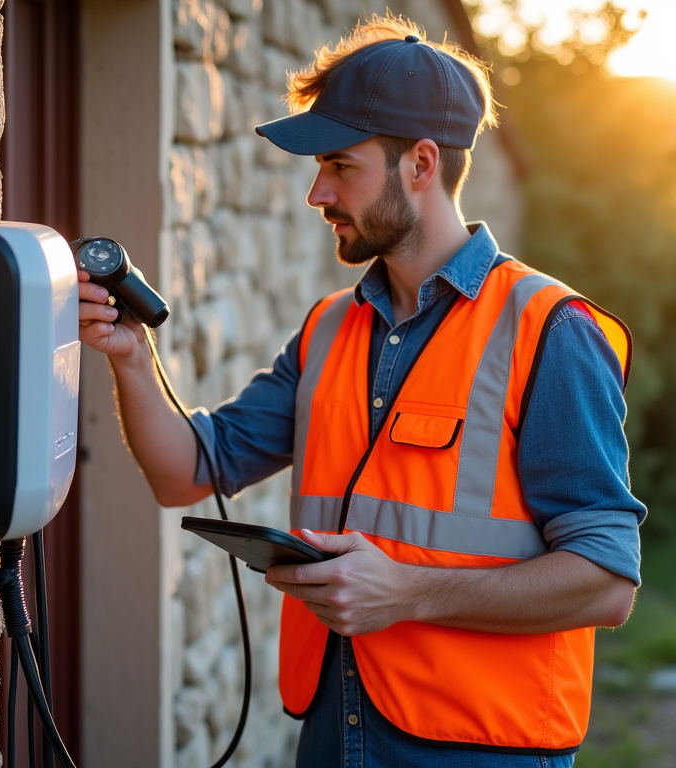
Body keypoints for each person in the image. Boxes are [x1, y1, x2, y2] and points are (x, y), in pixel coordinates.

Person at [77, 14, 646, 767]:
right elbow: (187, 470)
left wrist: (407, 592)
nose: (317, 192)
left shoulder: (550, 330)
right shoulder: (328, 331)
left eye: (340, 166)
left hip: (481, 751)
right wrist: (129, 357)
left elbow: (607, 581)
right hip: (335, 733)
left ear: (420, 164)